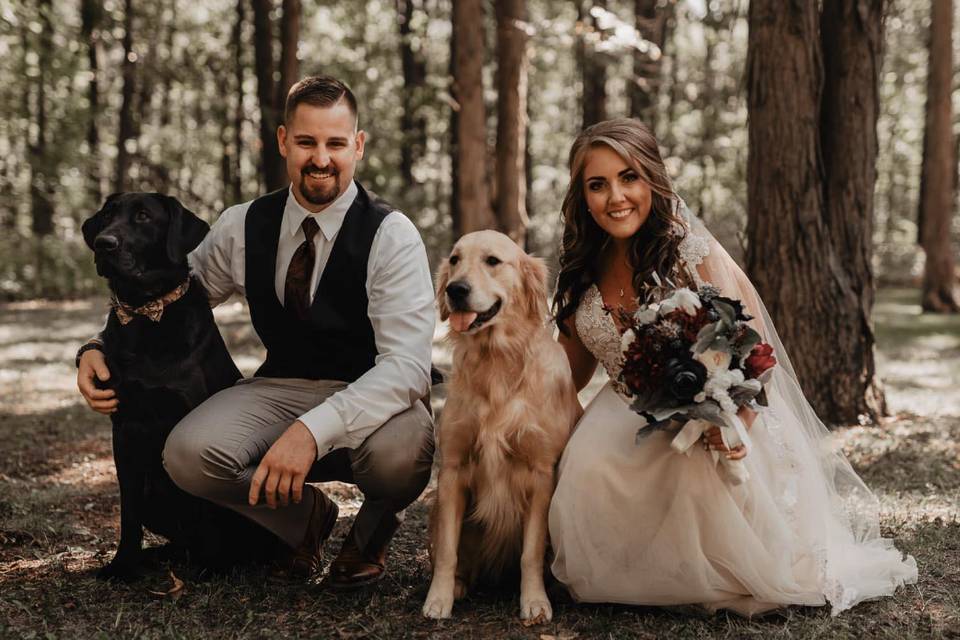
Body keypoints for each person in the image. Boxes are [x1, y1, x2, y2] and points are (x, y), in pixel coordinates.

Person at [548, 118, 917, 616]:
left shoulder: (688, 253)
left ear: (652, 179)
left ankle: (693, 566)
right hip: (623, 416)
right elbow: (563, 379)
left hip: (721, 412)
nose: (616, 196)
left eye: (628, 177)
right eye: (598, 184)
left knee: (690, 464)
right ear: (582, 196)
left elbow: (754, 352)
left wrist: (733, 426)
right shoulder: (580, 274)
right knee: (592, 463)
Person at [77, 76, 436, 587]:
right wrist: (94, 344)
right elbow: (165, 294)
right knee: (186, 455)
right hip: (279, 388)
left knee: (401, 453)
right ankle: (303, 520)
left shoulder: (391, 234)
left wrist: (311, 433)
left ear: (357, 145)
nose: (321, 158)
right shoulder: (242, 224)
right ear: (284, 140)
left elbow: (406, 369)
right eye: (307, 142)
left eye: (336, 144)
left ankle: (369, 538)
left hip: (370, 390)